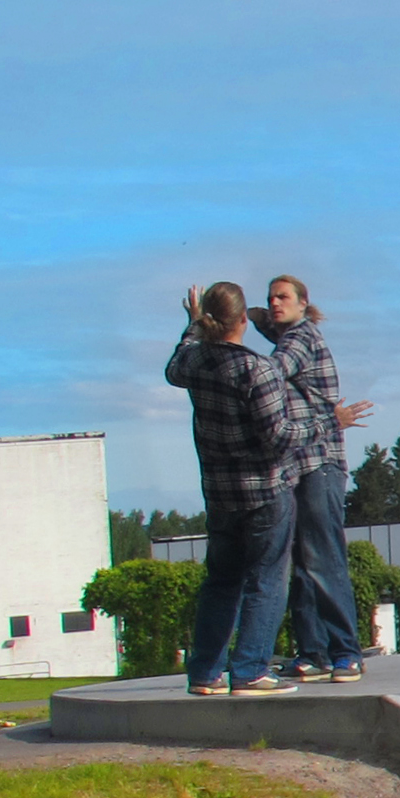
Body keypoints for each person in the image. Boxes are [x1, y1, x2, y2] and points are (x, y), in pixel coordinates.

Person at [162, 284, 298, 697]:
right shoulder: (258, 369)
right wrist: (328, 423)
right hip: (263, 491)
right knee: (266, 580)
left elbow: (173, 369)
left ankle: (205, 672)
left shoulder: (194, 360)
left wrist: (191, 324)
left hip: (219, 493)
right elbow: (279, 438)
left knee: (221, 583)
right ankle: (251, 670)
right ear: (243, 321)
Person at [256, 276, 374, 682]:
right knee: (304, 565)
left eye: (283, 297)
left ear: (304, 303)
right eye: (270, 297)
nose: (274, 303)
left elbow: (272, 371)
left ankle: (346, 651)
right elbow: (264, 323)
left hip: (320, 461)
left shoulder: (300, 339)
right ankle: (313, 652)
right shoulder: (286, 334)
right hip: (298, 462)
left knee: (323, 558)